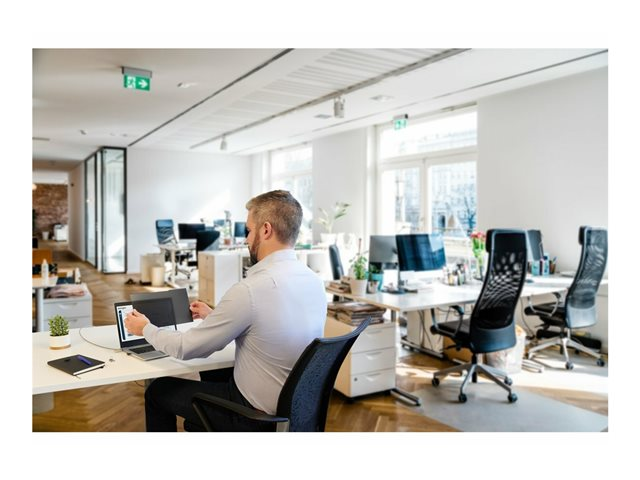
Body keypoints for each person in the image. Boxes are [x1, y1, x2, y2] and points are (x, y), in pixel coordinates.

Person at [125, 190, 327, 431]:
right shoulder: (314, 282)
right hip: (297, 405)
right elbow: (271, 328)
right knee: (212, 374)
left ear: (266, 230)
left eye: (248, 231)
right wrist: (215, 317)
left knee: (158, 390)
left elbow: (186, 348)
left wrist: (145, 328)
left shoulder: (250, 290)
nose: (246, 240)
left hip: (254, 414)